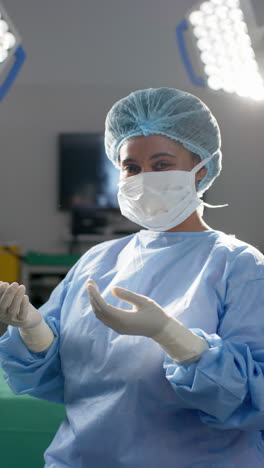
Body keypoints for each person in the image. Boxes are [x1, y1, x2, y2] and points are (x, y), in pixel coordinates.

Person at [0, 87, 264, 467]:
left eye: (161, 165)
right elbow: (60, 378)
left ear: (201, 168)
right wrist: (33, 328)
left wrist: (173, 338)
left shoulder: (238, 266)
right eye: (131, 168)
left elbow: (253, 400)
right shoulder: (98, 261)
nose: (144, 179)